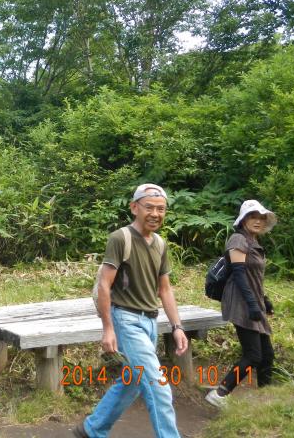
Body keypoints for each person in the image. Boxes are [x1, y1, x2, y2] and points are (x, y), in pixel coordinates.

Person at [74, 183, 188, 438]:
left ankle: (92, 429)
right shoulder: (120, 238)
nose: (155, 213)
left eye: (161, 209)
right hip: (125, 320)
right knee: (158, 387)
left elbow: (165, 290)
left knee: (133, 382)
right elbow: (105, 284)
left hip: (150, 322)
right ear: (134, 207)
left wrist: (177, 326)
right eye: (149, 207)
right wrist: (108, 329)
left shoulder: (160, 244)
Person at [205, 200, 277, 409]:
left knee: (267, 355)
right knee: (253, 355)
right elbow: (238, 274)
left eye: (261, 218)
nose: (258, 221)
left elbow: (253, 278)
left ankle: (267, 399)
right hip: (240, 303)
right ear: (243, 219)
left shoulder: (253, 242)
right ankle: (220, 393)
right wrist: (253, 305)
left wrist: (264, 301)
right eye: (253, 216)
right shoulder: (238, 239)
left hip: (253, 302)